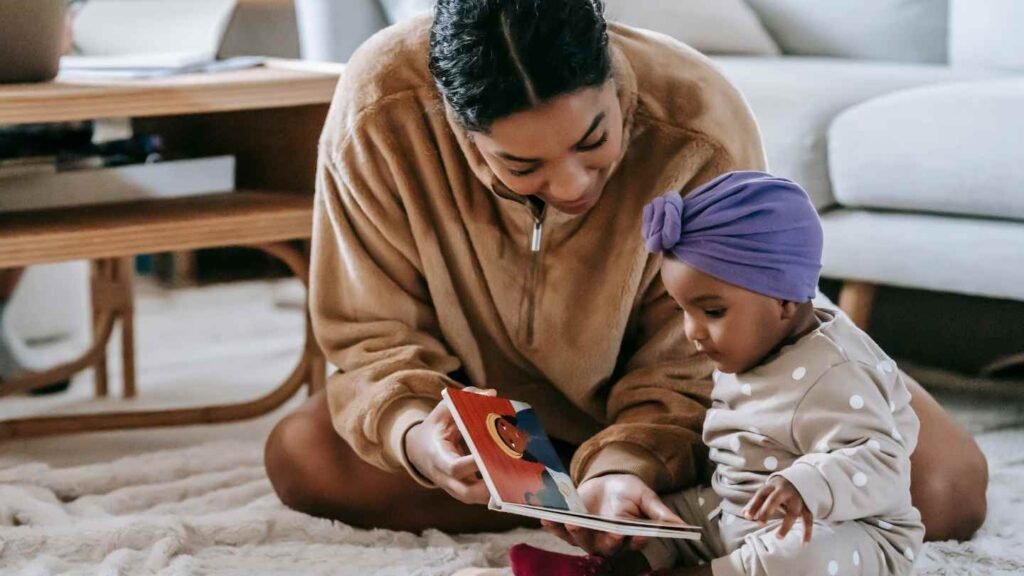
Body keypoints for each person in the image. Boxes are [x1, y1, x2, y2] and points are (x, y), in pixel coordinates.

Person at [263, 0, 987, 546]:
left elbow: (707, 354)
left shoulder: (695, 116)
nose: (573, 184)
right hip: (497, 407)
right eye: (521, 166)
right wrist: (418, 436)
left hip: (707, 408)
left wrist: (630, 463)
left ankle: (621, 495)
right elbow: (370, 335)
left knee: (942, 487)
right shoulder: (382, 109)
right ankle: (617, 504)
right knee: (304, 458)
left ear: (613, 72)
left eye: (594, 140)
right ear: (456, 123)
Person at [516, 172, 925, 575]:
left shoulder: (837, 371)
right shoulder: (751, 346)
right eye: (684, 311)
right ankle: (613, 569)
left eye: (712, 312)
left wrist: (807, 484)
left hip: (841, 528)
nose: (692, 332)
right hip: (738, 510)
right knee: (663, 515)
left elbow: (884, 463)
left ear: (783, 300)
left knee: (796, 557)